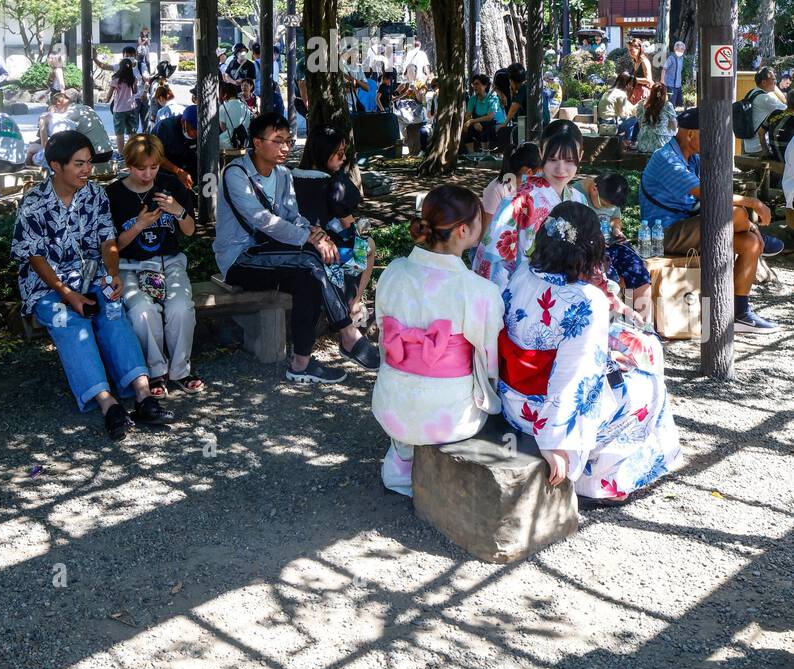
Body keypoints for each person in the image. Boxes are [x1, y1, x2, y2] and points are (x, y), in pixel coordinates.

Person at [497, 201, 682, 502]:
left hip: (510, 399)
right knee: (649, 387)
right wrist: (555, 441)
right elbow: (574, 375)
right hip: (539, 414)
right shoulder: (586, 300)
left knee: (628, 354)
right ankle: (600, 479)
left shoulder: (522, 273)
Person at [10, 131, 174, 439]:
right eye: (78, 164)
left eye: (89, 163)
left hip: (90, 274)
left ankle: (142, 393)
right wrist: (67, 293)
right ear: (55, 166)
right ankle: (107, 403)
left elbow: (108, 241)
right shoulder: (34, 202)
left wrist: (112, 275)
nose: (87, 170)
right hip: (48, 287)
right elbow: (34, 256)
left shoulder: (95, 195)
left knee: (112, 308)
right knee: (70, 322)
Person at [213, 112, 378, 382]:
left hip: (277, 256)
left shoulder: (283, 174)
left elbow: (293, 217)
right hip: (240, 259)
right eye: (278, 141)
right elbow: (261, 221)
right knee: (311, 260)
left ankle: (301, 364)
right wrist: (310, 239)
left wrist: (316, 232)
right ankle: (348, 333)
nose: (286, 148)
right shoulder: (235, 174)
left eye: (288, 141)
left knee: (310, 277)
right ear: (257, 142)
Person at [372, 185, 502, 496]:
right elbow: (491, 357)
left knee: (405, 387)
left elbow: (382, 335)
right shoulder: (477, 290)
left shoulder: (393, 271)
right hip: (449, 418)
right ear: (462, 230)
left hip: (390, 404)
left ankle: (401, 459)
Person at [639, 107, 783, 332]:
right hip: (664, 232)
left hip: (689, 225)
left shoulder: (692, 157)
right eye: (706, 134)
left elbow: (715, 189)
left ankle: (740, 313)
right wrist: (754, 203)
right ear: (690, 134)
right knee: (735, 213)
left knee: (750, 244)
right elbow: (710, 194)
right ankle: (756, 230)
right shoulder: (665, 158)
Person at [107, 134, 202, 398]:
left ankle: (181, 369)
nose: (148, 174)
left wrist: (178, 210)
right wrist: (139, 226)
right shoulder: (114, 194)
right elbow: (112, 247)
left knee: (181, 308)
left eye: (154, 167)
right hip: (130, 265)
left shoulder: (171, 185)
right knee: (141, 311)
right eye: (140, 168)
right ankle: (155, 370)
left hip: (168, 263)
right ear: (128, 164)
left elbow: (191, 230)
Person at [473, 120, 589, 291]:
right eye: (552, 159)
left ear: (581, 156)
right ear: (541, 153)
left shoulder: (579, 200)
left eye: (569, 160)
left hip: (569, 294)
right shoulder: (517, 201)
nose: (560, 169)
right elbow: (494, 259)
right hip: (524, 295)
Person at [292, 125, 378, 327]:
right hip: (325, 255)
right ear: (324, 153)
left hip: (298, 247)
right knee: (369, 246)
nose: (343, 158)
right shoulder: (331, 183)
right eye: (339, 154)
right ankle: (354, 304)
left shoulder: (291, 177)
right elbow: (347, 222)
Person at [572, 171, 652, 322]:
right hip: (588, 249)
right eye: (605, 205)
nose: (607, 209)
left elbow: (615, 218)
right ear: (593, 189)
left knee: (638, 269)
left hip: (611, 243)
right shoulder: (576, 195)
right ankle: (609, 326)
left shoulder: (611, 191)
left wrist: (616, 229)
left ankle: (645, 324)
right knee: (609, 276)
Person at [480, 142, 541, 230]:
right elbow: (487, 229)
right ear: (529, 172)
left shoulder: (531, 186)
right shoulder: (496, 190)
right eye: (540, 170)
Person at [743, 66, 785, 156]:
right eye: (773, 79)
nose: (775, 81)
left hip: (749, 146)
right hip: (760, 148)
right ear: (764, 82)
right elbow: (788, 109)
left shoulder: (752, 92)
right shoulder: (765, 98)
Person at [154, 105, 198, 187]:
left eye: (198, 130)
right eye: (192, 129)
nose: (195, 134)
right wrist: (178, 172)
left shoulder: (202, 134)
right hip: (165, 171)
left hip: (188, 171)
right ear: (183, 121)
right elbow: (156, 156)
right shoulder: (165, 128)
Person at [460, 73, 503, 154]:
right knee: (466, 130)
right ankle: (472, 156)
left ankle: (485, 155)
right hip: (479, 122)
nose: (474, 86)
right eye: (473, 84)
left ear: (485, 85)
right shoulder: (473, 99)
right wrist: (474, 122)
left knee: (486, 129)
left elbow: (490, 117)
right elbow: (468, 115)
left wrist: (473, 121)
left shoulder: (492, 98)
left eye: (477, 84)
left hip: (495, 123)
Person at [106, 56, 140, 156]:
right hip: (131, 107)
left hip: (119, 109)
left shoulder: (116, 79)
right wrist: (135, 83)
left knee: (119, 133)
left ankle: (121, 154)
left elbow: (110, 93)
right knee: (132, 131)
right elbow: (135, 91)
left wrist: (106, 100)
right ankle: (133, 152)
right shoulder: (132, 78)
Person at [634, 82, 678, 154]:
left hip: (643, 145)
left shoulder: (642, 104)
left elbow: (640, 125)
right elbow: (674, 127)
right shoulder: (667, 105)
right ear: (664, 94)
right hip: (661, 145)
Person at [218, 79, 252, 150]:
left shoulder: (223, 107)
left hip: (227, 143)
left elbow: (223, 127)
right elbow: (248, 126)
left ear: (225, 95)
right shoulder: (245, 106)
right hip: (244, 143)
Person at [627, 38, 653, 103]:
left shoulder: (644, 61)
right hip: (636, 93)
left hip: (644, 94)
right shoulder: (635, 61)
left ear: (639, 49)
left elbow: (649, 80)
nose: (630, 52)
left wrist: (633, 79)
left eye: (632, 50)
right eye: (629, 50)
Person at [663, 41, 687, 109]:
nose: (681, 51)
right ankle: (671, 118)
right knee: (671, 105)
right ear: (675, 49)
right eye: (679, 49)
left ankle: (677, 117)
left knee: (680, 104)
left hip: (678, 85)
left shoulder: (681, 58)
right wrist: (662, 81)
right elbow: (664, 69)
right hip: (671, 85)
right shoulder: (671, 58)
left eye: (682, 49)